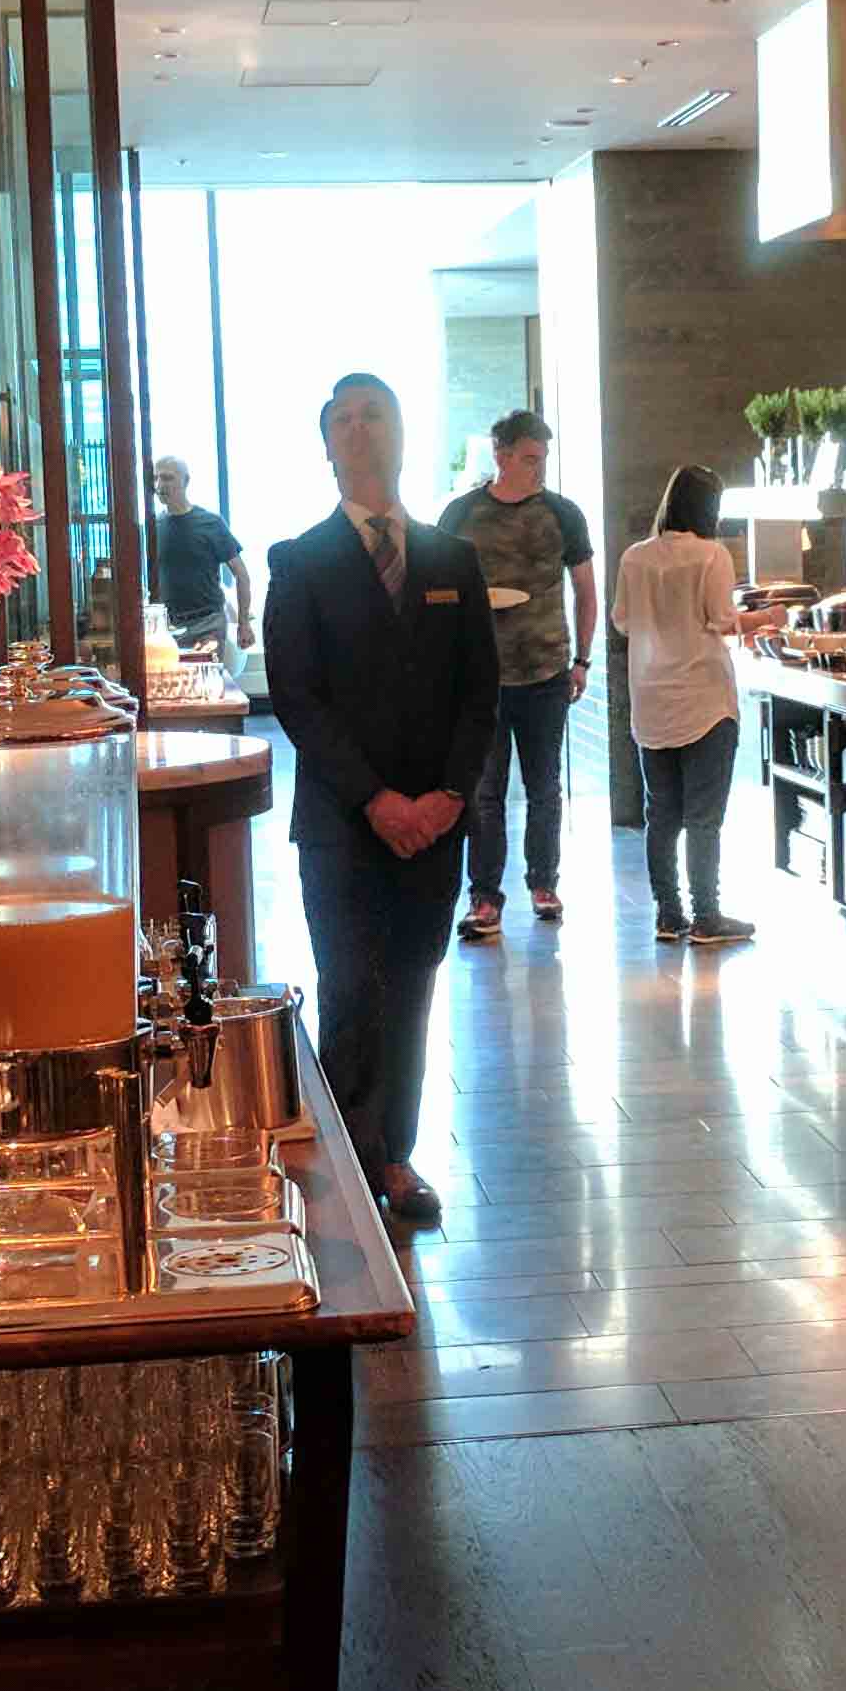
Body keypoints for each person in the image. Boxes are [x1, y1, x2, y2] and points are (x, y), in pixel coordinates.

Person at [259, 373, 497, 1229]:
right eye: (344, 420)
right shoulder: (299, 562)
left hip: (435, 825)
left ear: (400, 433)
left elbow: (481, 693)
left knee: (413, 987)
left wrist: (447, 796)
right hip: (342, 824)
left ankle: (395, 1154)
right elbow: (298, 697)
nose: (360, 430)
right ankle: (352, 1165)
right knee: (352, 990)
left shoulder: (452, 561)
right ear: (327, 446)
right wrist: (376, 800)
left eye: (375, 416)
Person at [436, 407, 597, 943]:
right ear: (500, 456)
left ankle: (544, 884)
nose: (539, 468)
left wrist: (582, 660)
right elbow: (436, 590)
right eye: (529, 459)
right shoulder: (461, 514)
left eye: (542, 458)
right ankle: (484, 897)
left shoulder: (563, 514)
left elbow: (586, 590)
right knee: (485, 792)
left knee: (544, 787)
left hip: (547, 671)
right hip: (481, 679)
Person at [606, 461, 780, 946]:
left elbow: (622, 621)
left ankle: (668, 915)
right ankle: (707, 916)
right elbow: (722, 620)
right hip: (705, 700)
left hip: (651, 700)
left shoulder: (635, 557)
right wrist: (771, 615)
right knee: (704, 817)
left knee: (660, 815)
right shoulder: (711, 555)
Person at [147, 454, 252, 656]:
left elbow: (241, 574)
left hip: (207, 625)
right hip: (167, 628)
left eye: (167, 478)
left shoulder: (210, 523)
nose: (160, 485)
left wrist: (244, 623)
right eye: (156, 478)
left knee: (206, 676)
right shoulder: (153, 527)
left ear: (186, 481)